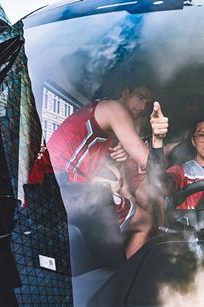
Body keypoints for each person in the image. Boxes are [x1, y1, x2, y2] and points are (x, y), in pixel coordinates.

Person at [28, 85, 155, 258]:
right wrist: (160, 143)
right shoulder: (114, 108)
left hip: (46, 186)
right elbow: (147, 160)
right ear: (125, 91)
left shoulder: (101, 118)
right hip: (64, 189)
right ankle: (127, 280)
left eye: (147, 104)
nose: (142, 107)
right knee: (145, 221)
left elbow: (98, 166)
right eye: (140, 97)